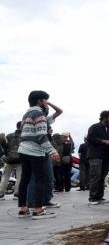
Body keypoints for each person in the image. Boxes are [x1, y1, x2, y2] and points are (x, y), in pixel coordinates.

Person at [17, 90, 60, 219]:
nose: (47, 102)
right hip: (35, 151)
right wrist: (53, 150)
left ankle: (23, 209)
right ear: (40, 101)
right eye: (45, 100)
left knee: (25, 180)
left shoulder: (27, 114)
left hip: (23, 149)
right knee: (40, 179)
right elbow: (41, 136)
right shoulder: (39, 114)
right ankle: (38, 209)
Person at [87, 110, 109, 205]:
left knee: (102, 177)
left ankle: (99, 196)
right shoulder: (95, 127)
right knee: (95, 176)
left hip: (106, 156)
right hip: (95, 155)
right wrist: (104, 141)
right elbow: (90, 139)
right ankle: (93, 197)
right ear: (105, 117)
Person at [0, 122, 22, 200]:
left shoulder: (9, 136)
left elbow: (5, 148)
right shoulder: (24, 136)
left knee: (5, 176)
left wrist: (7, 155)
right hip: (20, 159)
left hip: (9, 159)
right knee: (20, 177)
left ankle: (1, 194)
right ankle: (17, 194)